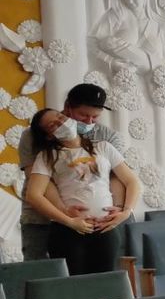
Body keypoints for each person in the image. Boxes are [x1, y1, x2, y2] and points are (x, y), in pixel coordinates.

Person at [23, 107, 141, 275]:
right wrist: (69, 221)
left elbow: (131, 181)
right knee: (73, 284)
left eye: (60, 117)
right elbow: (34, 195)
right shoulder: (47, 156)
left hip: (105, 228)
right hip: (67, 231)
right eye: (53, 125)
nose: (61, 123)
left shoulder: (103, 147)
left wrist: (126, 212)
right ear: (49, 135)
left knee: (106, 281)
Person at [17, 83, 127, 261]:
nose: (89, 122)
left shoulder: (108, 137)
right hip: (42, 218)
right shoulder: (34, 133)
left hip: (100, 220)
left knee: (106, 269)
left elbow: (118, 177)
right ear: (68, 107)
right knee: (41, 267)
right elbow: (38, 181)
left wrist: (119, 208)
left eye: (95, 117)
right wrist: (64, 212)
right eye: (83, 115)